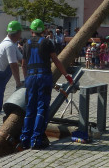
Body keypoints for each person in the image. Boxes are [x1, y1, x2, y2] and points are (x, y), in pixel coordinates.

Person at [20, 19, 73, 150]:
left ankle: (24, 139)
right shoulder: (47, 42)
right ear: (43, 30)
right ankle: (36, 140)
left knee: (30, 107)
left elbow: (23, 64)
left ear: (31, 31)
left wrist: (26, 78)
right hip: (44, 77)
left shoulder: (26, 44)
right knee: (41, 108)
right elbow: (56, 60)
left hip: (31, 77)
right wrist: (66, 75)